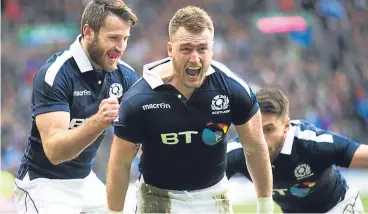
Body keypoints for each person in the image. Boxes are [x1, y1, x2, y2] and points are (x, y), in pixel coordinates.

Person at [106, 6, 274, 214]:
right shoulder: (139, 99)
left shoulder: (232, 89)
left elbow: (256, 147)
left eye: (202, 49)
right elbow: (120, 164)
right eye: (186, 49)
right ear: (170, 49)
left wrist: (265, 207)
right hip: (157, 197)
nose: (195, 59)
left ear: (212, 50)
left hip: (214, 196)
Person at [13, 0, 138, 213]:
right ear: (88, 32)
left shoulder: (125, 75)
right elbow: (55, 152)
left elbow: (142, 133)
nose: (120, 48)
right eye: (113, 38)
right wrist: (98, 122)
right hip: (44, 183)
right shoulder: (55, 74)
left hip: (86, 179)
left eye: (125, 38)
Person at [226, 88, 368, 213]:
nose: (261, 140)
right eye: (256, 129)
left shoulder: (312, 144)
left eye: (269, 129)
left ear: (286, 126)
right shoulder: (239, 150)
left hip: (337, 207)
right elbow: (206, 181)